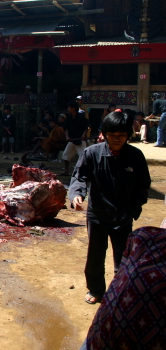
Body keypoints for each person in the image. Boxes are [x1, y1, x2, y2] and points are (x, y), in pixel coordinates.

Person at [69, 111, 151, 305]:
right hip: (97, 215)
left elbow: (143, 185)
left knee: (123, 258)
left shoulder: (135, 157)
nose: (116, 139)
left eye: (121, 136)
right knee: (95, 256)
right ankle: (96, 290)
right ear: (104, 134)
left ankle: (121, 291)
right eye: (112, 135)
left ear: (128, 136)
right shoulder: (92, 153)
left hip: (123, 217)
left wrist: (134, 209)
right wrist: (77, 194)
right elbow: (79, 177)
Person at [81, 226, 166, 350]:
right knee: (100, 258)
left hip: (105, 332)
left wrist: (134, 209)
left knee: (121, 265)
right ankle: (97, 290)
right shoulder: (141, 237)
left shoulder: (141, 236)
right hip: (108, 330)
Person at [59, 101, 90, 176]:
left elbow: (86, 127)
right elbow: (67, 128)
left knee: (83, 157)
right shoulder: (69, 117)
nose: (68, 109)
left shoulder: (81, 117)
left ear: (73, 108)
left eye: (69, 107)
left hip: (80, 139)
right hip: (72, 139)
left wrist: (83, 135)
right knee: (66, 155)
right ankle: (66, 171)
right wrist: (67, 136)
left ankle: (84, 173)